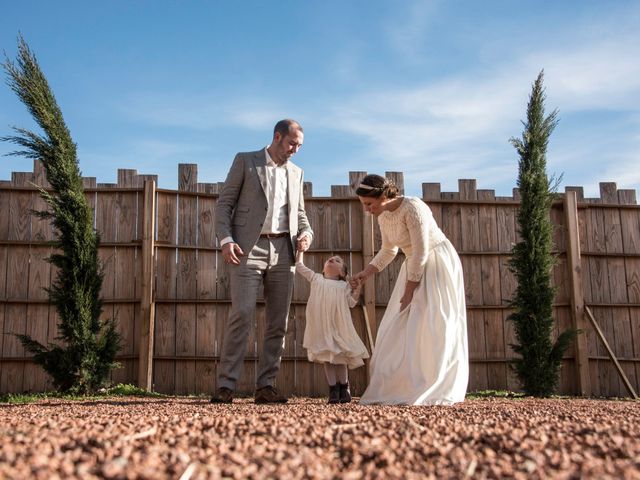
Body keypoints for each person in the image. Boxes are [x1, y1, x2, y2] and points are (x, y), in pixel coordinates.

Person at [211, 119, 313, 404]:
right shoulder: (246, 161)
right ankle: (225, 386)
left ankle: (266, 386)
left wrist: (306, 233)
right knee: (241, 314)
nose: (295, 150)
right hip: (247, 248)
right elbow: (224, 204)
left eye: (299, 146)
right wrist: (226, 239)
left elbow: (300, 214)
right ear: (277, 137)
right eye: (292, 143)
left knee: (278, 321)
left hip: (284, 250)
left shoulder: (297, 172)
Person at [351, 174, 468, 405]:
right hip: (412, 264)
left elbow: (422, 251)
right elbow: (389, 251)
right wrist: (365, 274)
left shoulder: (413, 207)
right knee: (401, 324)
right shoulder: (383, 216)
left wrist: (409, 291)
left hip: (436, 262)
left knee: (433, 322)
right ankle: (405, 384)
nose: (367, 210)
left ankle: (434, 384)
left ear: (383, 196)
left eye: (369, 204)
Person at [295, 251, 369, 403]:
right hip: (322, 327)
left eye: (337, 261)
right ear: (323, 270)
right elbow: (299, 266)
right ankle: (333, 390)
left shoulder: (344, 286)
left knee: (340, 357)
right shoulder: (316, 279)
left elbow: (351, 303)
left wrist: (358, 289)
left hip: (339, 327)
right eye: (331, 259)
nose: (332, 259)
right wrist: (300, 251)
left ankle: (344, 388)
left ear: (342, 272)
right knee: (328, 359)